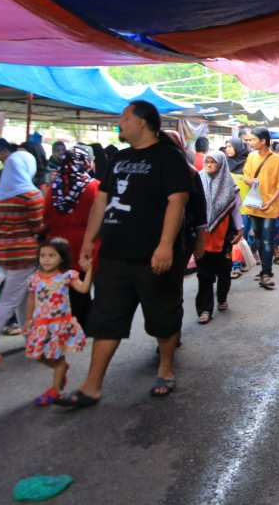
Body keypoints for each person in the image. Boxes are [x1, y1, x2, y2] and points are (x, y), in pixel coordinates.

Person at [57, 101, 195, 407]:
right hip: (114, 254)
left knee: (162, 315)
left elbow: (178, 200)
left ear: (143, 122)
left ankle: (166, 369)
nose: (119, 123)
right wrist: (89, 242)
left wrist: (165, 245)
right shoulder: (119, 157)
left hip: (153, 254)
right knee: (105, 318)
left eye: (125, 118)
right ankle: (92, 386)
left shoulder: (168, 156)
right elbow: (102, 201)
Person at [0, 151, 45, 366]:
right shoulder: (31, 196)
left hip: (2, 255)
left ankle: (30, 339)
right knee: (9, 302)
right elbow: (38, 228)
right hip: (24, 255)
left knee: (20, 299)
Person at [25, 237, 92, 405]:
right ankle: (60, 369)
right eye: (43, 255)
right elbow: (31, 299)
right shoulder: (35, 278)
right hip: (41, 324)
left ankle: (54, 390)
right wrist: (28, 319)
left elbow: (83, 289)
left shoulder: (66, 276)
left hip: (59, 325)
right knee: (37, 354)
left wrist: (90, 270)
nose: (46, 259)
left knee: (58, 358)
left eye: (51, 255)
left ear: (61, 258)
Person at [43, 144, 100, 327]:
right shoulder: (93, 186)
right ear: (85, 163)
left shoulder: (54, 187)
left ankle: (65, 321)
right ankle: (81, 322)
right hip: (84, 244)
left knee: (63, 286)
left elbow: (45, 216)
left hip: (57, 244)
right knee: (81, 285)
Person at [195, 151, 242, 324]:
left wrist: (240, 229)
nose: (208, 164)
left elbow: (236, 209)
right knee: (204, 274)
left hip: (224, 236)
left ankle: (222, 298)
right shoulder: (198, 180)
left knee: (224, 272)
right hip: (202, 236)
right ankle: (205, 309)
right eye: (206, 161)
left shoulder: (230, 185)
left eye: (212, 162)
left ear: (221, 164)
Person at [241, 127, 279, 291]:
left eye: (252, 139)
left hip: (270, 206)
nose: (250, 142)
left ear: (263, 141)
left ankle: (266, 273)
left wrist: (270, 202)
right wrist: (249, 181)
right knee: (259, 240)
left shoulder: (278, 160)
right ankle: (264, 271)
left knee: (267, 239)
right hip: (254, 205)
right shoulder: (251, 157)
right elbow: (245, 175)